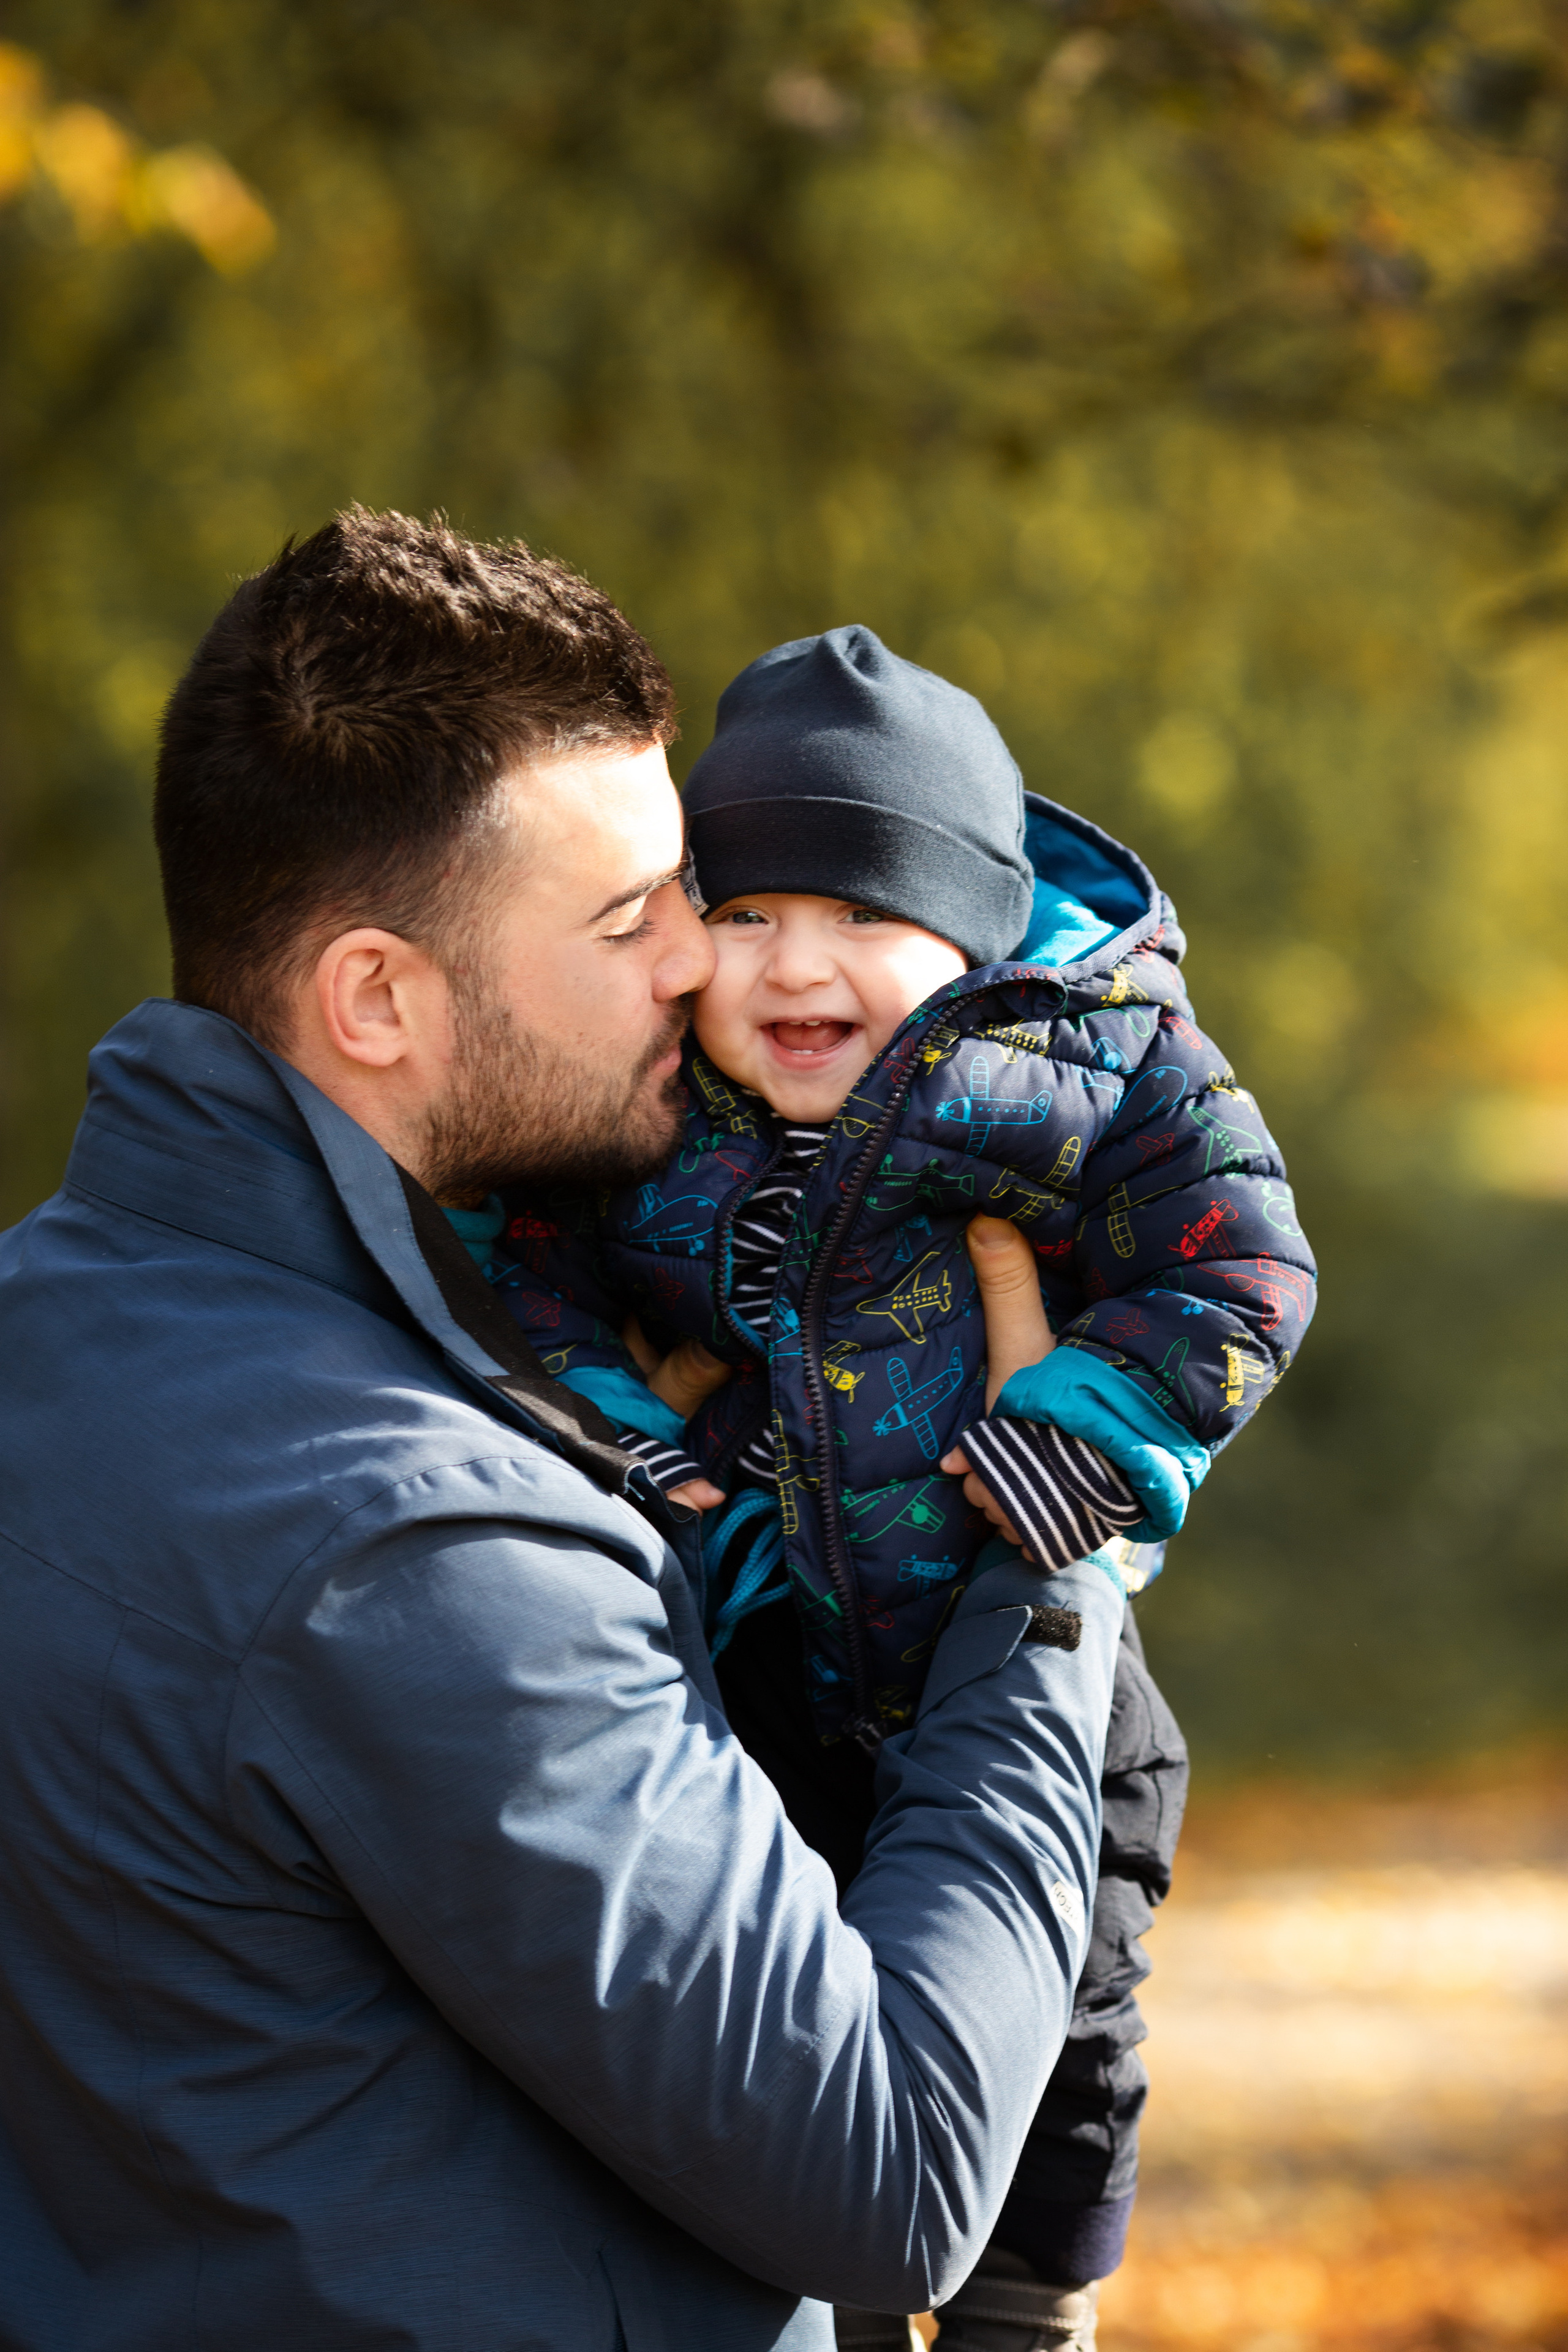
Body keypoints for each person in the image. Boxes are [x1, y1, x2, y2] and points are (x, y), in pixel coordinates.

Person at [0, 513, 1139, 2352]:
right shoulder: (423, 1541)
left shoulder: (47, 1333)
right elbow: (901, 2179)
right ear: (380, 996)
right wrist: (1043, 1554)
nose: (701, 965)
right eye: (635, 917)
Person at [488, 627, 1317, 2350]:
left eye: (866, 914)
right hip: (773, 1674)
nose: (800, 965)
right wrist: (598, 1429)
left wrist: (1085, 1427)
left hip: (1012, 1635)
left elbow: (1244, 1266)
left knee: (1069, 2008)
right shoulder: (655, 1110)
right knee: (811, 2038)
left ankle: (1035, 2307)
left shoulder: (1094, 1061)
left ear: (974, 934)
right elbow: (525, 1262)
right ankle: (854, 2302)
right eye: (746, 914)